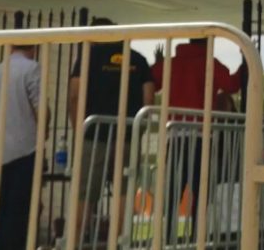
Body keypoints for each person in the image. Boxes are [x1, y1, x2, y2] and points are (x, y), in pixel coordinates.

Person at [150, 38, 246, 242]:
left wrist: (159, 61)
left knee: (172, 193)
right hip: (201, 137)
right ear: (207, 43)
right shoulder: (210, 62)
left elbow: (153, 81)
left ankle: (164, 239)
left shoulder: (172, 63)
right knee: (202, 194)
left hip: (175, 135)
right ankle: (197, 238)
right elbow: (232, 85)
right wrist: (245, 61)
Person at [69, 17, 156, 242]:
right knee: (123, 192)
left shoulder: (87, 59)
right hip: (126, 137)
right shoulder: (138, 59)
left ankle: (76, 241)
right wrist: (136, 131)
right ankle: (117, 241)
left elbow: (75, 95)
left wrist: (80, 128)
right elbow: (148, 101)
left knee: (84, 193)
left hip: (93, 135)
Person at [0, 44, 42, 250]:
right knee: (20, 220)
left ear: (11, 46)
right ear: (34, 48)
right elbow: (40, 109)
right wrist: (43, 133)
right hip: (25, 152)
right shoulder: (32, 68)